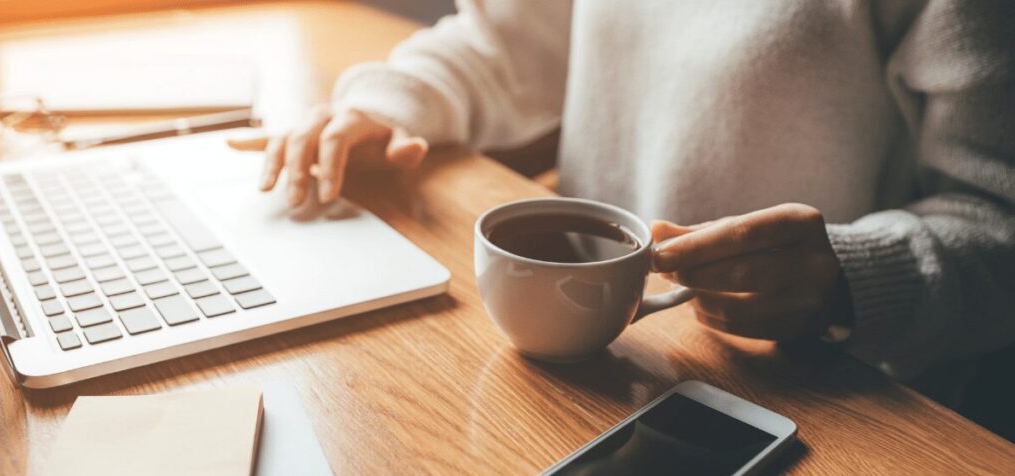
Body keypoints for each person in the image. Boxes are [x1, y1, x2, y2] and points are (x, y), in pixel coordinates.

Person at [231, 1, 1014, 390]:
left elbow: (996, 220)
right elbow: (505, 42)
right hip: (592, 377)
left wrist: (853, 275)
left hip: (813, 403)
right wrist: (387, 103)